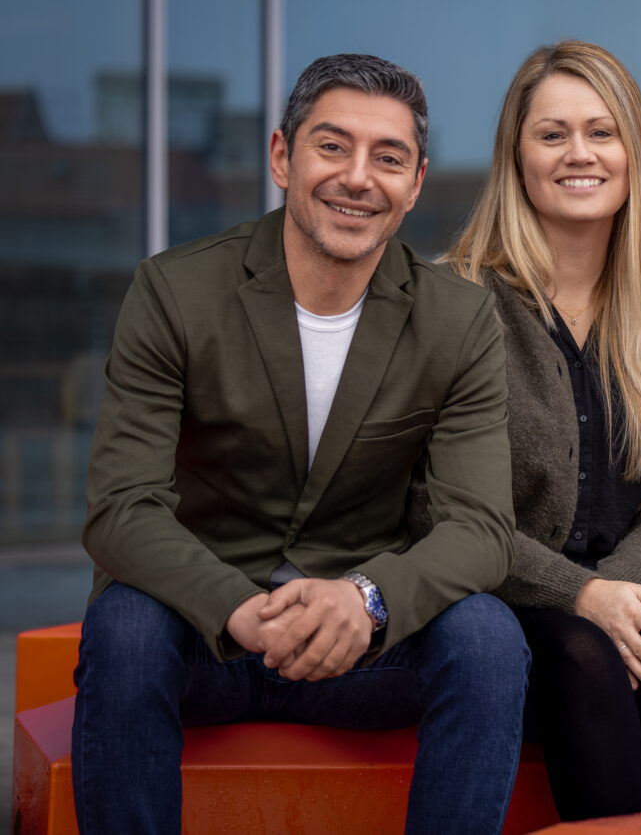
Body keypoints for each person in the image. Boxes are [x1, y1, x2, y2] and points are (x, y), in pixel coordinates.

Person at [71, 53, 528, 835]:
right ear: (283, 157)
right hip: (203, 637)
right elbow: (121, 508)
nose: (358, 177)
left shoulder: (458, 322)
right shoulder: (175, 291)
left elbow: (481, 529)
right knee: (124, 625)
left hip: (358, 645)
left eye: (388, 158)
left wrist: (368, 599)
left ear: (415, 184)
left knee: (489, 639)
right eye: (332, 146)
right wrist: (238, 609)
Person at [440, 40, 641, 821]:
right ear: (517, 155)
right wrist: (581, 595)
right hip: (497, 597)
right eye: (553, 133)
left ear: (635, 154)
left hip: (630, 583)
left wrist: (618, 591)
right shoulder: (453, 304)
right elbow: (446, 508)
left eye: (602, 132)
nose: (580, 154)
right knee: (580, 647)